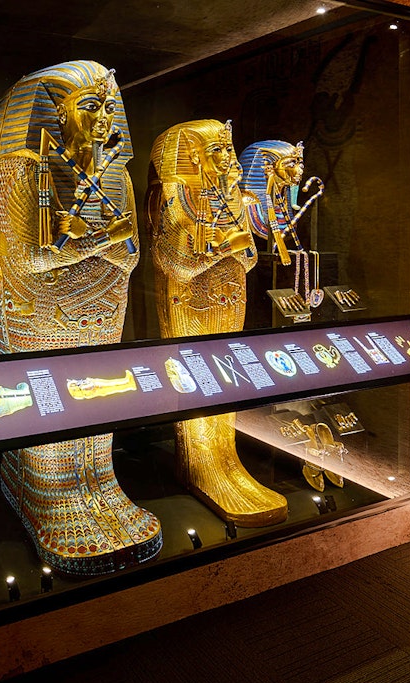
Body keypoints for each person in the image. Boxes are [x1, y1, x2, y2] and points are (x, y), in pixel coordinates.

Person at [0, 61, 162, 575]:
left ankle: (100, 481)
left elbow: (129, 255)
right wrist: (95, 243)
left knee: (100, 395)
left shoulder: (116, 175)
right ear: (53, 114)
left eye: (108, 107)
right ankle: (44, 489)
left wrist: (84, 242)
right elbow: (28, 260)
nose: (103, 117)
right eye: (88, 106)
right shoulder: (18, 170)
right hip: (40, 308)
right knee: (51, 400)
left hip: (103, 304)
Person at [147, 119, 288, 527]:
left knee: (226, 380)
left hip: (229, 297)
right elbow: (175, 264)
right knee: (196, 382)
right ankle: (200, 463)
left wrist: (227, 248)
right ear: (193, 156)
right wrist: (223, 248)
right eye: (219, 151)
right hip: (188, 303)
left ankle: (226, 459)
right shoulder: (175, 194)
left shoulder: (232, 197)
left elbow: (249, 259)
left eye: (229, 150)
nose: (230, 158)